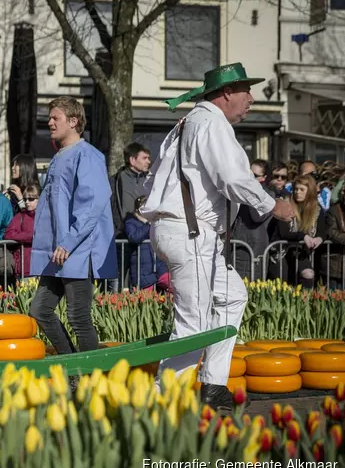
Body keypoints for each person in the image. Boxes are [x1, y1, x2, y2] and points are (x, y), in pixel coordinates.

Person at [140, 63, 296, 412]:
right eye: (246, 91)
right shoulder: (212, 122)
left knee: (232, 296)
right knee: (193, 322)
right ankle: (167, 399)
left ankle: (212, 383)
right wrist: (274, 206)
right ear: (226, 93)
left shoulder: (187, 123)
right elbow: (232, 179)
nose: (252, 99)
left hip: (184, 230)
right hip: (190, 232)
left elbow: (154, 181)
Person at [28, 96, 117, 365]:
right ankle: (72, 367)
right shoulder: (59, 156)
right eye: (50, 117)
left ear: (74, 121)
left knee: (79, 317)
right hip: (57, 252)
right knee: (40, 310)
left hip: (75, 251)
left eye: (56, 117)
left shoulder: (88, 155)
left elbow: (92, 204)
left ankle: (91, 378)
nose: (49, 121)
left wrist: (68, 241)